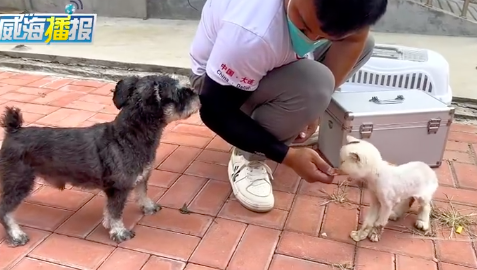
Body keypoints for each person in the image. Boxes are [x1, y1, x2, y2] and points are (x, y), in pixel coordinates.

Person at [188, 0, 388, 213]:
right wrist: (287, 156)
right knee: (315, 84)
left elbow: (356, 37)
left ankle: (293, 111)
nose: (310, 40)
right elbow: (214, 109)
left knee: (362, 44)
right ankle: (248, 157)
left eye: (322, 37)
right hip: (218, 85)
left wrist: (315, 109)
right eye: (303, 26)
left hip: (268, 59)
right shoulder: (250, 33)